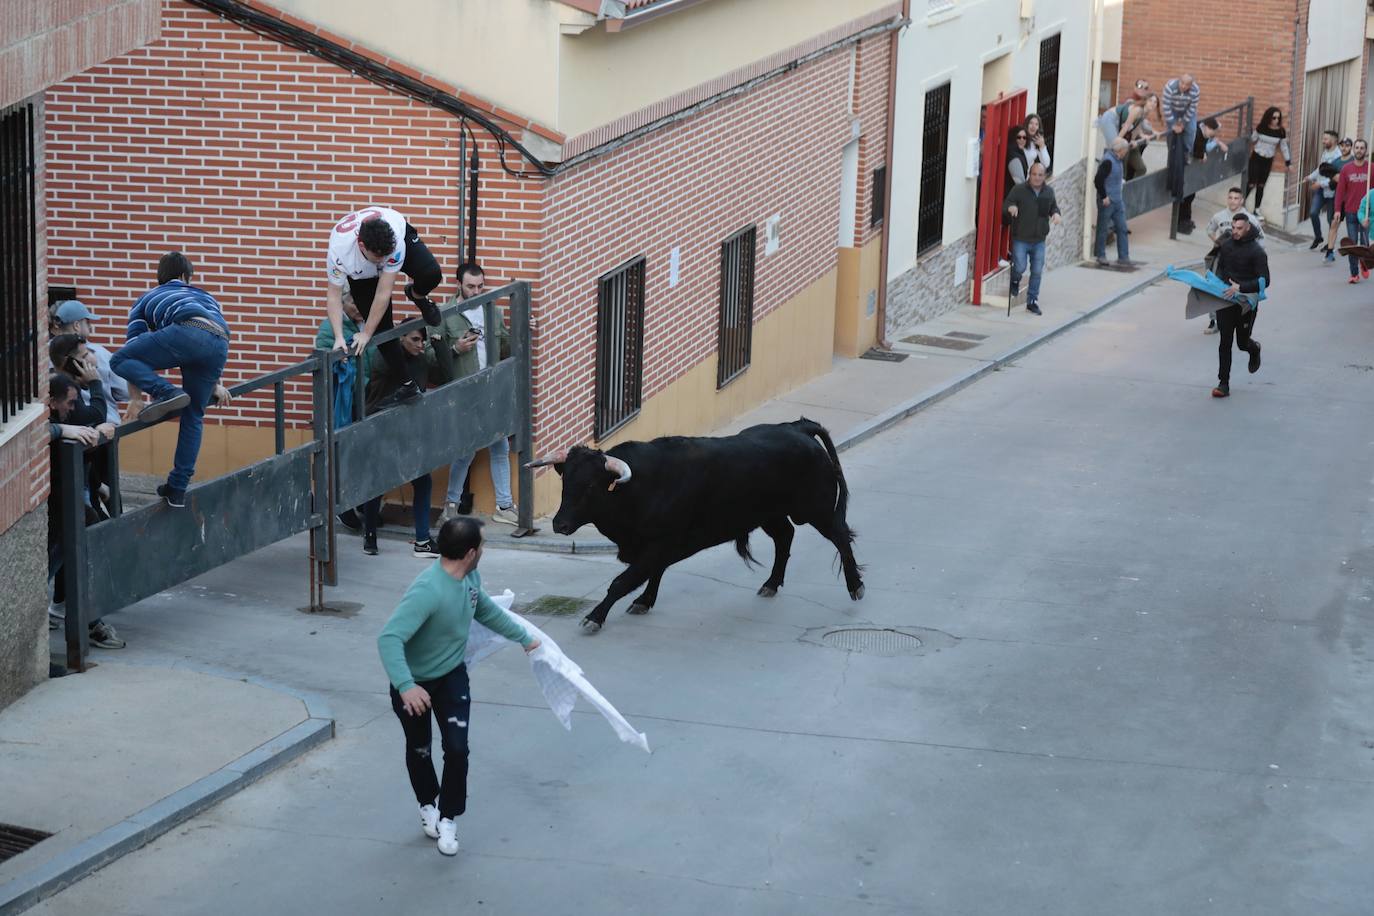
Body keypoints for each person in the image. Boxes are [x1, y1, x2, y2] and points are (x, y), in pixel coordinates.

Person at [377, 516, 540, 856]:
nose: (484, 550)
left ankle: (449, 817)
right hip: (415, 684)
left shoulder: (470, 577)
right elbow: (389, 638)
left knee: (457, 749)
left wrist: (525, 638)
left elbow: (487, 612)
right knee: (419, 747)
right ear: (470, 552)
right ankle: (427, 805)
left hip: (452, 676)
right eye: (482, 544)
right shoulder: (428, 591)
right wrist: (407, 686)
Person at [111, 252, 231, 508]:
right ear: (185, 277)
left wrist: (136, 398)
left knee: (118, 360)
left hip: (187, 331)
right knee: (194, 416)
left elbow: (132, 347)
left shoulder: (146, 299)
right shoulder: (207, 296)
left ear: (161, 277)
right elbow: (210, 337)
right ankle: (177, 488)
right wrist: (214, 384)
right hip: (220, 342)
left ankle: (166, 391)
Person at [324, 207, 443, 405]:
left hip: (398, 232)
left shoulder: (395, 241)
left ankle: (417, 295)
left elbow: (384, 291)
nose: (383, 262)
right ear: (362, 246)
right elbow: (334, 296)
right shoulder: (339, 253)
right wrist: (338, 337)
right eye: (379, 257)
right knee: (382, 328)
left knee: (431, 273)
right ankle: (407, 385)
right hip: (360, 272)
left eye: (385, 257)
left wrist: (366, 332)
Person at [46, 373, 124, 649]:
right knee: (62, 559)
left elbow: (87, 423)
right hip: (54, 507)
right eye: (68, 402)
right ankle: (88, 623)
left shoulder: (65, 415)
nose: (72, 407)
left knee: (72, 555)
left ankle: (85, 619)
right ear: (52, 402)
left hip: (67, 504)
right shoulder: (46, 424)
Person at [439, 263, 518, 526]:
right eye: (471, 286)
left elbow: (506, 344)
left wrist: (522, 327)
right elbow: (429, 358)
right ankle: (450, 504)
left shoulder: (492, 311)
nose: (476, 291)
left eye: (480, 286)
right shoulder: (445, 314)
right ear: (458, 285)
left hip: (491, 390)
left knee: (500, 446)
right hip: (464, 394)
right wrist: (455, 348)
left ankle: (505, 505)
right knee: (465, 451)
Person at [360, 326, 444, 557]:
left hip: (409, 429)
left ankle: (423, 540)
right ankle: (370, 536)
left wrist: (442, 346)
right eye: (415, 339)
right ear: (401, 338)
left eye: (422, 341)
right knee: (378, 482)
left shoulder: (420, 359)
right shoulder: (385, 356)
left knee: (422, 481)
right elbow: (389, 368)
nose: (420, 344)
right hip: (382, 425)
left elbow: (442, 374)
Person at [1210, 214, 1268, 399]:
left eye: (1239, 228)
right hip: (1226, 299)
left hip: (1246, 304)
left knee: (1241, 343)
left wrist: (1241, 288)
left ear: (1248, 228)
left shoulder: (1257, 252)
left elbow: (1265, 281)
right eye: (1233, 228)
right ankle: (1223, 383)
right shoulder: (1226, 246)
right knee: (1224, 342)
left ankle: (1254, 349)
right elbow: (1220, 269)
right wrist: (1219, 284)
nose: (1235, 231)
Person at [49, 299, 127, 424]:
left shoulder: (44, 354)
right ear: (77, 325)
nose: (90, 326)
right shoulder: (100, 353)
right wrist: (96, 383)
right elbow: (125, 391)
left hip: (65, 429)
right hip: (103, 427)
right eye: (87, 322)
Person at [1002, 161, 1061, 316]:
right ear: (1030, 174)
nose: (1037, 177)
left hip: (1039, 240)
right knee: (1020, 267)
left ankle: (1032, 301)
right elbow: (1007, 203)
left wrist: (1056, 214)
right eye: (1034, 174)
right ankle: (1015, 279)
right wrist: (1011, 207)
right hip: (1021, 237)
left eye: (1040, 175)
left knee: (1036, 271)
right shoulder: (1019, 190)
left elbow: (1053, 207)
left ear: (1044, 176)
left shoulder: (1048, 192)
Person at [1201, 187, 1264, 333]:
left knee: (1236, 287)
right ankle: (1213, 320)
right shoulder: (1219, 216)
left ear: (1242, 200)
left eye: (1236, 198)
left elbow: (1261, 238)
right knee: (1213, 286)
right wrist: (1219, 242)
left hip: (1241, 260)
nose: (1233, 201)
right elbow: (1209, 230)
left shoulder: (1250, 219)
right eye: (1230, 197)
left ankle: (1238, 316)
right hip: (1222, 257)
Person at [1177, 117, 1229, 234]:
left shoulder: (1203, 133)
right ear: (1207, 128)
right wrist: (1201, 155)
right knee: (1185, 195)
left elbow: (1201, 148)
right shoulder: (1196, 133)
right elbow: (1192, 148)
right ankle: (1180, 222)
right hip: (1185, 164)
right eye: (1213, 132)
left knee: (1191, 194)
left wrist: (1202, 153)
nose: (1213, 135)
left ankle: (1186, 219)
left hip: (1191, 165)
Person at [1333, 139, 1372, 284]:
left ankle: (1364, 262)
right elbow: (1340, 191)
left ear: (1366, 151)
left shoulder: (1371, 168)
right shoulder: (1346, 169)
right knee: (1353, 243)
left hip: (1367, 213)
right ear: (1353, 150)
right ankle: (1354, 273)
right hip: (1350, 212)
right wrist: (1337, 210)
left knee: (1366, 244)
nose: (1359, 150)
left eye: (1362, 148)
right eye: (1357, 147)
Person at [1093, 138, 1134, 268]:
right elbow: (1098, 180)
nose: (1126, 153)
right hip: (1107, 201)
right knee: (1103, 229)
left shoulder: (1117, 158)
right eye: (1125, 151)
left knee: (1122, 228)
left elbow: (1130, 146)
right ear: (1120, 150)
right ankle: (1100, 255)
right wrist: (1104, 197)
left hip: (1117, 200)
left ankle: (1123, 257)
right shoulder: (1108, 161)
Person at [1246, 106, 1292, 215]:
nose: (1276, 120)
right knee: (1251, 183)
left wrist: (1288, 162)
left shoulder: (1281, 131)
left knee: (1261, 185)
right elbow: (1253, 139)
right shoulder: (1261, 127)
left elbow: (1284, 147)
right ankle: (1240, 203)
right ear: (1268, 117)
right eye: (1273, 118)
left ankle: (1256, 209)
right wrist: (1249, 132)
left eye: (1278, 118)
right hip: (1256, 158)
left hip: (1268, 160)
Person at [1307, 130, 1343, 250]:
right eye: (1323, 139)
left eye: (1326, 139)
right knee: (1313, 212)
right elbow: (1320, 168)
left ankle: (1329, 243)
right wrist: (1310, 177)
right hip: (1321, 190)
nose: (1323, 141)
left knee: (1330, 219)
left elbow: (1335, 179)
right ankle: (1318, 237)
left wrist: (1319, 184)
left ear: (1334, 140)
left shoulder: (1338, 156)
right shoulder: (1326, 152)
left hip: (1332, 192)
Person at [1162, 74, 1201, 159]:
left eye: (1187, 85)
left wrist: (1183, 123)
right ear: (1178, 80)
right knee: (1171, 132)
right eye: (1182, 83)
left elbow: (1192, 108)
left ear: (1191, 85)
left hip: (1186, 109)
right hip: (1173, 109)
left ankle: (1186, 152)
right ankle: (1171, 152)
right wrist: (1173, 124)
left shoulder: (1195, 90)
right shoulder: (1170, 87)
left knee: (1191, 129)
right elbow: (1166, 107)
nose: (1183, 86)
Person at [1023, 112, 1052, 176]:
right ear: (1026, 124)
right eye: (1031, 123)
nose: (1033, 126)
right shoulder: (1021, 138)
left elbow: (1046, 164)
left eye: (1036, 124)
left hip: (1028, 179)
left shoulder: (1035, 142)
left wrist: (1042, 146)